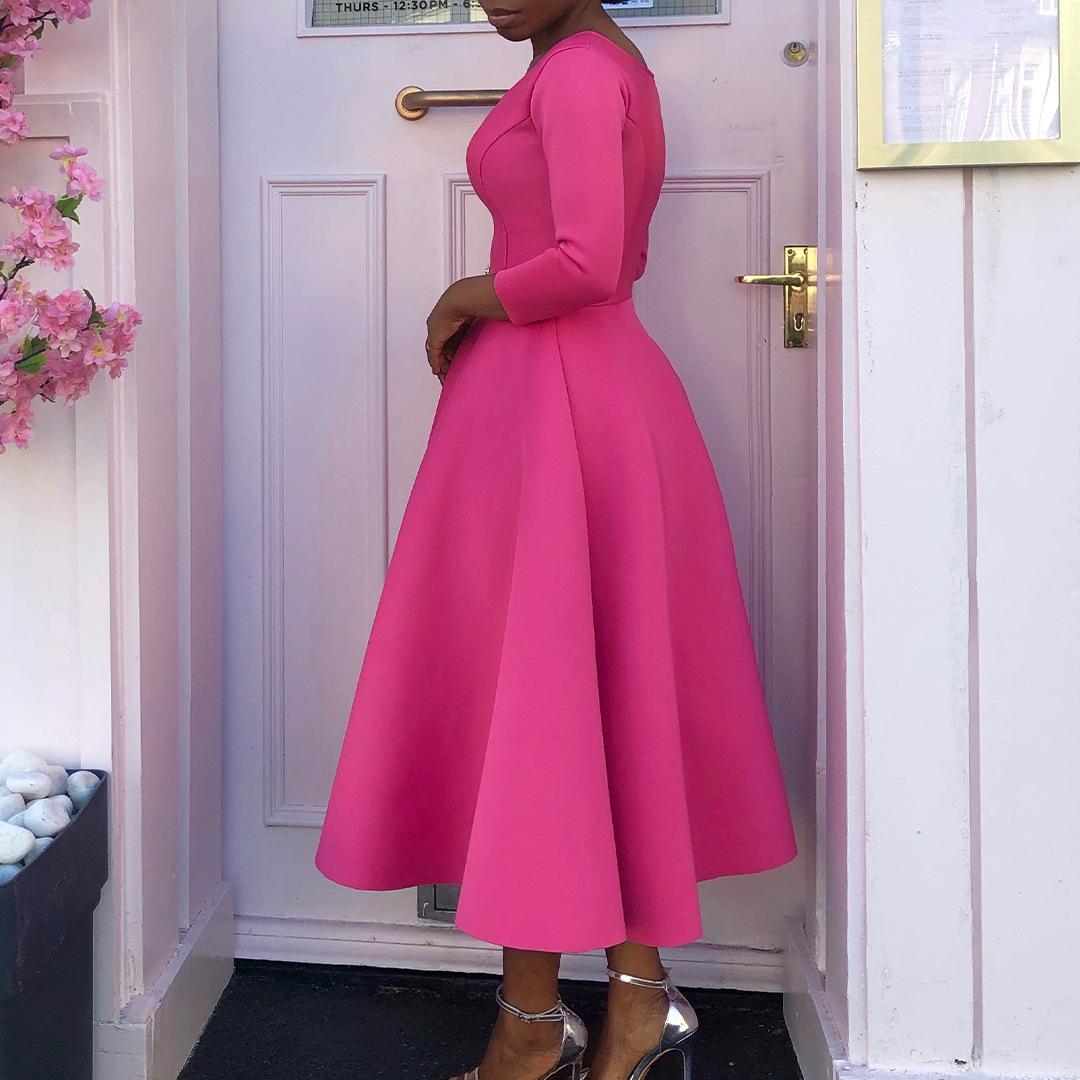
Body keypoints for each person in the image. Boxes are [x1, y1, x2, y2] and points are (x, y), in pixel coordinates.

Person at [314, 4, 799, 1078]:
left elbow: (588, 263)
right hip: (565, 401)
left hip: (560, 402)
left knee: (537, 703)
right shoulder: (601, 66)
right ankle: (627, 1000)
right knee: (568, 706)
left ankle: (536, 1024)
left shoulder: (580, 73)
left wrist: (461, 295)